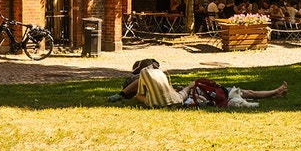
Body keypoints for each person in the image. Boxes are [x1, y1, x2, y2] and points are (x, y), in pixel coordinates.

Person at [118, 59, 288, 109]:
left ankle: (275, 92)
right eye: (155, 67)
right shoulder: (142, 79)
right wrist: (121, 95)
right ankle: (275, 92)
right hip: (198, 94)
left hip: (194, 93)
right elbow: (138, 91)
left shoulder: (153, 83)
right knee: (246, 92)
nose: (157, 70)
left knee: (246, 92)